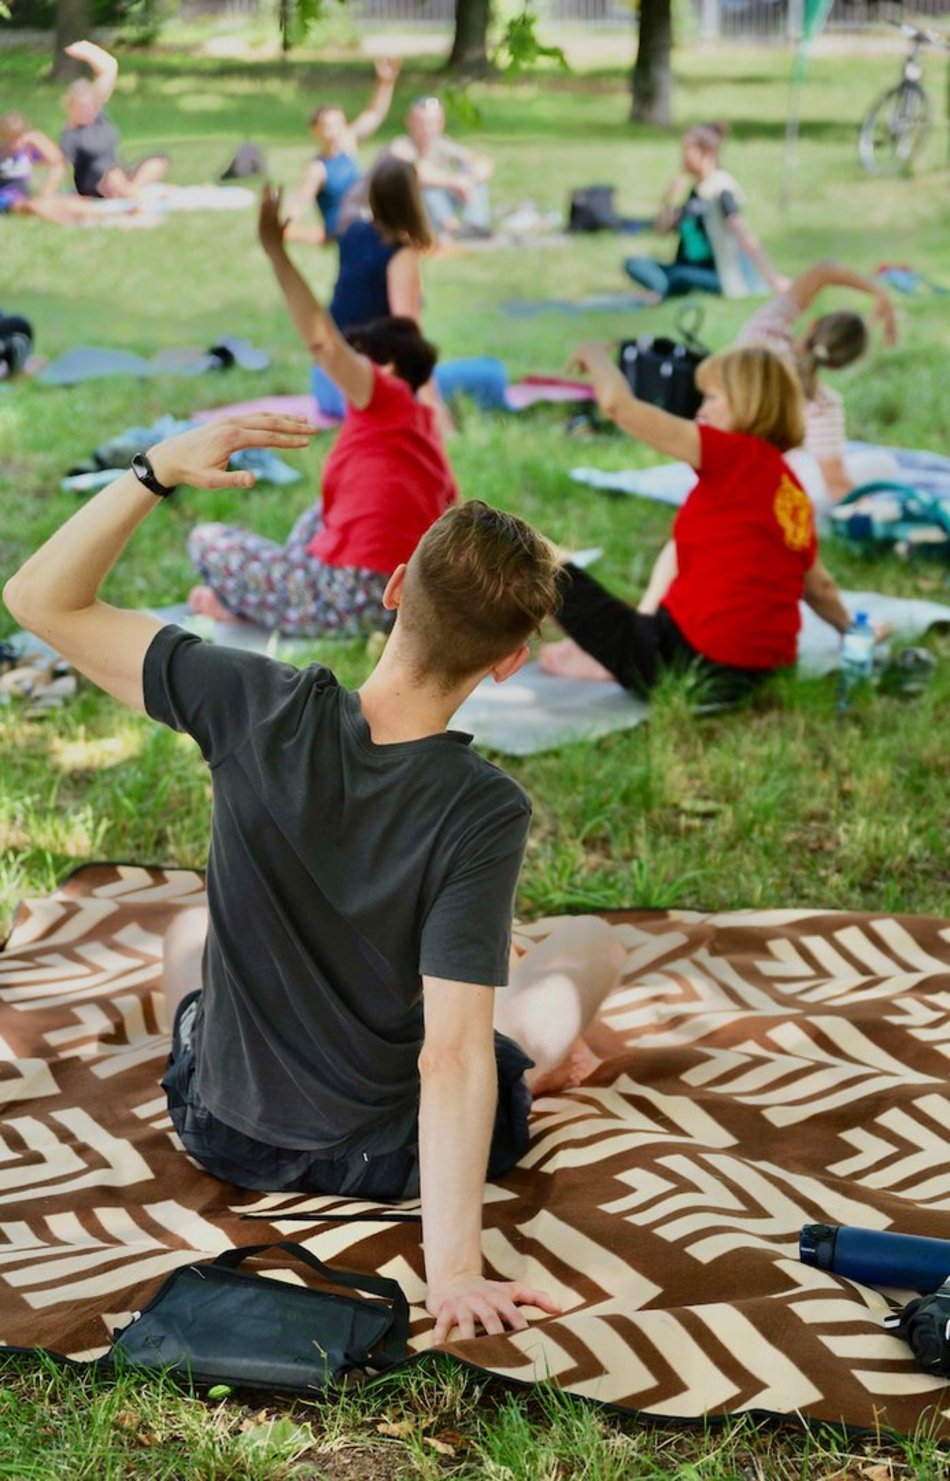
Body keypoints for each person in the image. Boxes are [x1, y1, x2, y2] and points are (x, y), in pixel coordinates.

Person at [3, 415, 628, 1344]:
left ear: (389, 591)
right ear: (508, 660)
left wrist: (155, 469)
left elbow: (40, 600)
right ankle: (541, 1051)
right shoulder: (482, 807)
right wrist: (452, 1269)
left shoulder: (251, 698)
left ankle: (510, 1038)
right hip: (390, 1156)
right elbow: (451, 1057)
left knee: (188, 934)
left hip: (219, 1128)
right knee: (589, 944)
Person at [187, 186, 457, 637]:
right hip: (397, 601)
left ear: (387, 366)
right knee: (321, 512)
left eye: (361, 356)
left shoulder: (384, 393)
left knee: (206, 538)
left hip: (350, 597)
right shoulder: (421, 427)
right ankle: (268, 599)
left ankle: (265, 606)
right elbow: (456, 514)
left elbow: (322, 342)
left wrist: (276, 253)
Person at [540, 343, 863, 700]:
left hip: (686, 662)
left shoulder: (731, 454)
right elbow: (820, 588)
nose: (701, 409)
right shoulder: (791, 492)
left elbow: (621, 407)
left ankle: (594, 658)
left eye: (710, 397)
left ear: (746, 402)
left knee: (530, 558)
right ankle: (617, 651)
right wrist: (852, 633)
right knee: (655, 594)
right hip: (755, 677)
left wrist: (594, 355)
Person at [736, 260, 901, 513]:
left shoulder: (763, 332)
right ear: (837, 366)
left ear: (813, 324)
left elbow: (823, 271)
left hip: (714, 465)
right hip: (765, 489)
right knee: (884, 465)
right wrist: (875, 512)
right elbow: (836, 486)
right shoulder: (822, 403)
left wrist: (879, 292)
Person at [622, 123, 786, 302]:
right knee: (634, 263)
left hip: (712, 273)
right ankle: (661, 290)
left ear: (707, 153)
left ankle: (659, 291)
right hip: (683, 266)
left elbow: (742, 233)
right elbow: (660, 231)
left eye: (687, 150)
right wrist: (668, 199)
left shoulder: (721, 189)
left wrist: (773, 278)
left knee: (681, 276)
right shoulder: (695, 190)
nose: (683, 157)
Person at [283, 57, 401, 244]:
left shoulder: (347, 146)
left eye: (339, 125)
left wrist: (385, 83)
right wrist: (288, 228)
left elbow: (374, 114)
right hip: (344, 229)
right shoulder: (317, 168)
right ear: (315, 131)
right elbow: (299, 204)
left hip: (364, 220)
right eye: (328, 126)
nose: (335, 131)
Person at [59, 39, 167, 200]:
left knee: (157, 161)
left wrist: (89, 50)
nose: (89, 111)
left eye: (92, 106)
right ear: (71, 108)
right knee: (113, 175)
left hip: (119, 173)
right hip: (95, 183)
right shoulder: (71, 134)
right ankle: (132, 195)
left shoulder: (99, 117)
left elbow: (109, 67)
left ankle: (131, 190)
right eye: (83, 108)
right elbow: (61, 165)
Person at [389, 96, 494, 241]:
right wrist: (454, 181)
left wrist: (469, 178)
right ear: (409, 122)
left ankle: (476, 227)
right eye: (421, 123)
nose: (426, 128)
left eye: (432, 123)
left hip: (445, 196)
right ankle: (448, 227)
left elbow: (482, 163)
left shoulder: (442, 144)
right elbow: (418, 174)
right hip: (410, 207)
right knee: (428, 187)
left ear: (441, 124)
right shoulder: (399, 146)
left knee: (471, 177)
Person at [0, 111, 88, 223]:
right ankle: (69, 221)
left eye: (17, 140)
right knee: (34, 206)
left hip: (23, 195)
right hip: (5, 198)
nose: (13, 145)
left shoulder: (26, 149)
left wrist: (38, 139)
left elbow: (58, 161)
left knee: (68, 200)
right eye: (8, 140)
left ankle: (102, 215)